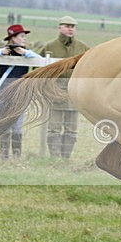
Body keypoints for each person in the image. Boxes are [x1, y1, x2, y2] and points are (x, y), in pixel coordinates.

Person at [0, 24, 40, 159]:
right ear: (13, 39)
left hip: (20, 96)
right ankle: (4, 155)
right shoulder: (2, 53)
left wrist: (25, 53)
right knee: (5, 126)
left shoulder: (28, 55)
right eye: (21, 36)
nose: (24, 39)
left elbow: (40, 60)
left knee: (17, 127)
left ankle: (16, 155)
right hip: (4, 95)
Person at [38, 16, 90, 158]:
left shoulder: (83, 48)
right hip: (55, 91)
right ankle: (54, 157)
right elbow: (38, 67)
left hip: (75, 92)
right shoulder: (50, 47)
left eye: (73, 26)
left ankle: (66, 158)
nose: (70, 29)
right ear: (60, 27)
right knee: (54, 128)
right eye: (67, 26)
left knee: (71, 129)